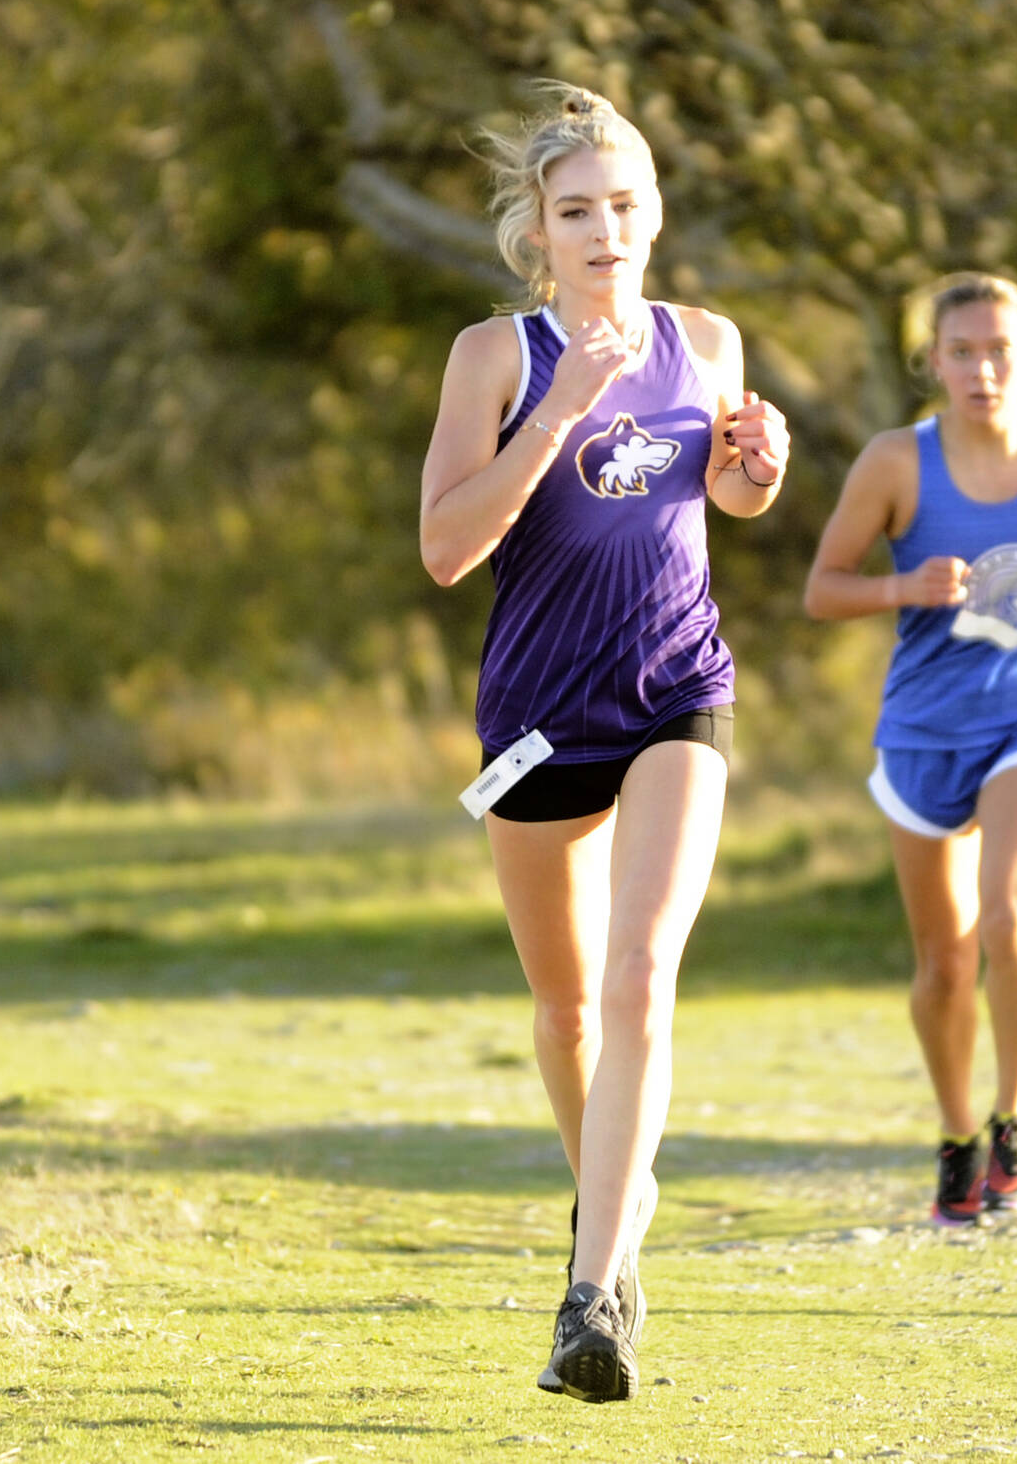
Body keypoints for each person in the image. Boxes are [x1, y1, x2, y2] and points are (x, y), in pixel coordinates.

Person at [418, 82, 789, 1402]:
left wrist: (758, 467)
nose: (606, 228)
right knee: (569, 1008)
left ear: (654, 212)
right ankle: (611, 1231)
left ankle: (591, 1297)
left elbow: (728, 498)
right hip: (533, 722)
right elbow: (449, 548)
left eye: (625, 204)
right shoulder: (494, 357)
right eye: (577, 209)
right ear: (539, 228)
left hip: (676, 690)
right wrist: (562, 407)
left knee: (639, 981)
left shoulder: (708, 338)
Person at [805, 273, 1017, 1225]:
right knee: (944, 962)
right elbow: (823, 589)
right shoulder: (895, 463)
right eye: (962, 351)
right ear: (934, 362)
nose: (983, 369)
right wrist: (903, 591)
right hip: (922, 731)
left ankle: (1016, 1120)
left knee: (1007, 916)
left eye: (1001, 350)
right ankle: (958, 1137)